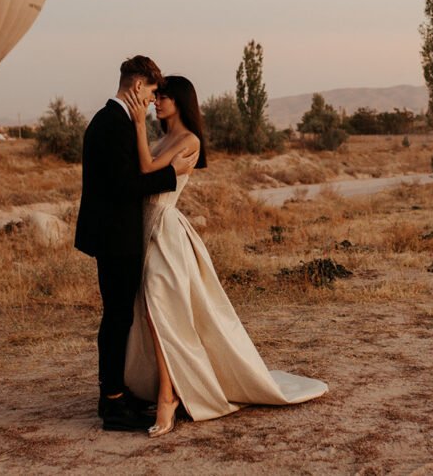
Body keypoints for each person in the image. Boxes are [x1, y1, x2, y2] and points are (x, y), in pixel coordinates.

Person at [121, 75, 328, 438]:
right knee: (153, 312)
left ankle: (168, 396)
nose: (156, 102)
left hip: (166, 231)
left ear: (180, 101)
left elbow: (148, 170)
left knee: (159, 307)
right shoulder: (163, 138)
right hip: (146, 228)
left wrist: (137, 124)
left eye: (163, 97)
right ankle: (169, 388)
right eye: (156, 97)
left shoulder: (189, 140)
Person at [74, 56, 198, 432]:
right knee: (116, 317)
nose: (151, 101)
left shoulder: (114, 121)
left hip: (121, 233)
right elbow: (124, 186)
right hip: (116, 236)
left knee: (121, 316)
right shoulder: (113, 124)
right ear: (136, 86)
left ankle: (117, 392)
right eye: (149, 92)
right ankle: (111, 402)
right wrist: (171, 176)